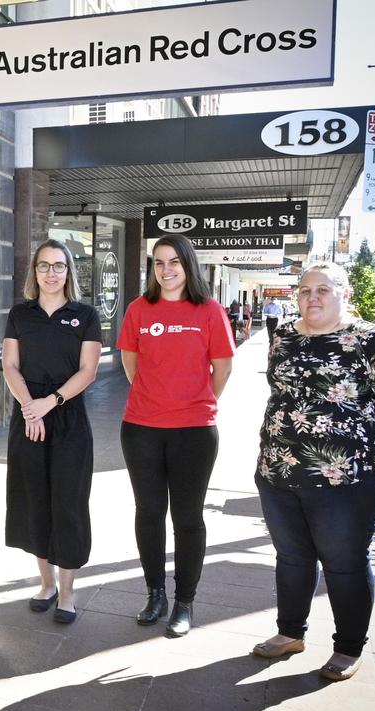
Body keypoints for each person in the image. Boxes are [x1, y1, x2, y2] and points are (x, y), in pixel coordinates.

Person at [251, 263, 375, 681]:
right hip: (279, 470)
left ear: (344, 294)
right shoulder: (285, 335)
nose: (312, 297)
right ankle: (289, 633)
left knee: (343, 562)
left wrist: (354, 428)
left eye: (323, 289)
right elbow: (280, 389)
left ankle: (347, 648)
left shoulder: (371, 340)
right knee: (292, 557)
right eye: (305, 289)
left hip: (347, 478)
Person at [118, 234, 234, 638]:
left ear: (188, 266)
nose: (166, 270)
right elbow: (131, 367)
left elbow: (222, 370)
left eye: (174, 263)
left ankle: (185, 601)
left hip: (194, 433)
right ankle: (155, 594)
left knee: (187, 519)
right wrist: (157, 400)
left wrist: (192, 402)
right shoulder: (138, 309)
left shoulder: (210, 311)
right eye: (158, 263)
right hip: (141, 429)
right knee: (148, 514)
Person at [1, 240, 102, 625]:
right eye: (43, 266)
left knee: (68, 503)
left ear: (68, 272)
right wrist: (30, 407)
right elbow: (10, 365)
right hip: (28, 418)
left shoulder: (85, 315)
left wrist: (49, 403)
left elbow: (88, 371)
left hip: (68, 419)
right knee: (34, 501)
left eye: (58, 266)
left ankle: (67, 591)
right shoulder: (20, 314)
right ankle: (45, 584)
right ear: (35, 273)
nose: (51, 273)